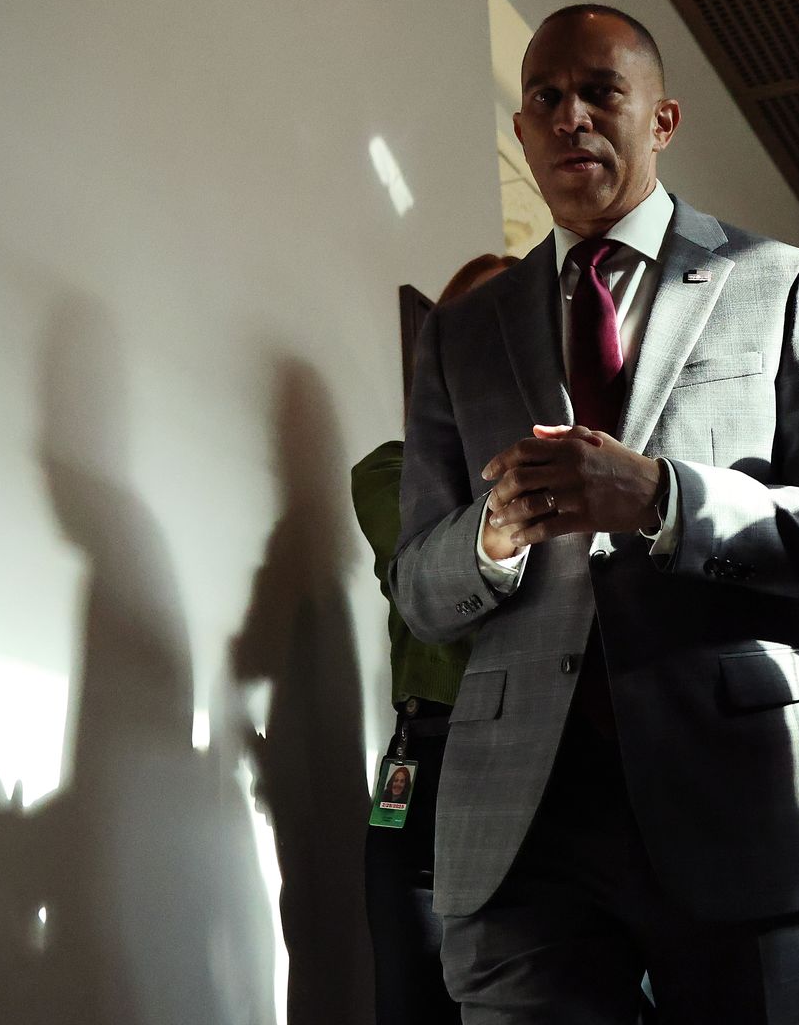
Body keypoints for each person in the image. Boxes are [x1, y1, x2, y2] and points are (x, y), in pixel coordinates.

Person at [391, 3, 799, 1022]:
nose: (570, 117)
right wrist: (489, 536)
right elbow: (416, 588)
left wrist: (667, 501)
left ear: (662, 121)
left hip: (745, 800)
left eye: (599, 93)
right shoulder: (459, 334)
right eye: (545, 98)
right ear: (522, 131)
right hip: (521, 828)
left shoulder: (785, 283)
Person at [355, 252, 515, 1025]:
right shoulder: (389, 472)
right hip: (432, 759)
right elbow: (443, 590)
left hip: (545, 758)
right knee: (415, 995)